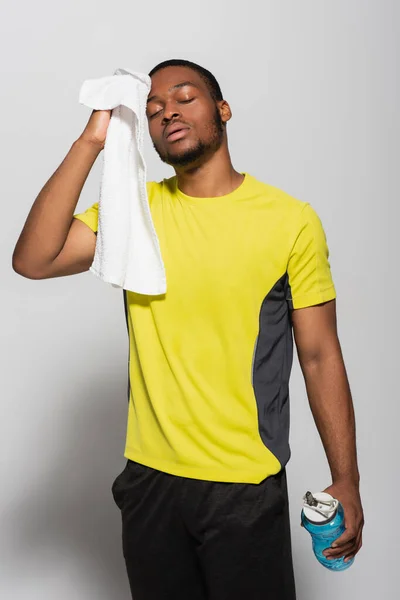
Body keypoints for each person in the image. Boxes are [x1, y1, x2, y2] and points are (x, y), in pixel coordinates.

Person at [12, 59, 364, 600]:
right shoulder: (135, 212)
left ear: (223, 111)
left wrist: (348, 479)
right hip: (150, 482)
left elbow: (319, 356)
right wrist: (92, 139)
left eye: (184, 98)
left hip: (244, 486)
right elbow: (34, 259)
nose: (167, 112)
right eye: (152, 110)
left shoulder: (290, 219)